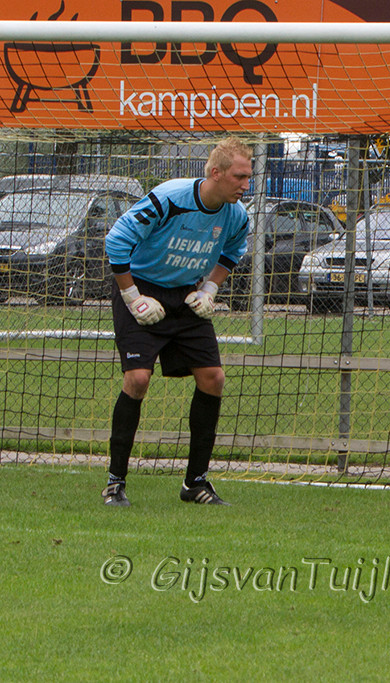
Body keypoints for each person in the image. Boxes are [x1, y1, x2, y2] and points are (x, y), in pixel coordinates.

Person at [101, 137, 253, 507]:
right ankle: (115, 484)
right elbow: (116, 241)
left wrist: (210, 289)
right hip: (140, 287)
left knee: (213, 378)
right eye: (239, 176)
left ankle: (195, 484)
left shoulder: (237, 216)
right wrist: (133, 297)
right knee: (138, 380)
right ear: (215, 173)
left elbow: (233, 251)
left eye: (248, 177)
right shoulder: (169, 197)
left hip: (185, 295)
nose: (245, 185)